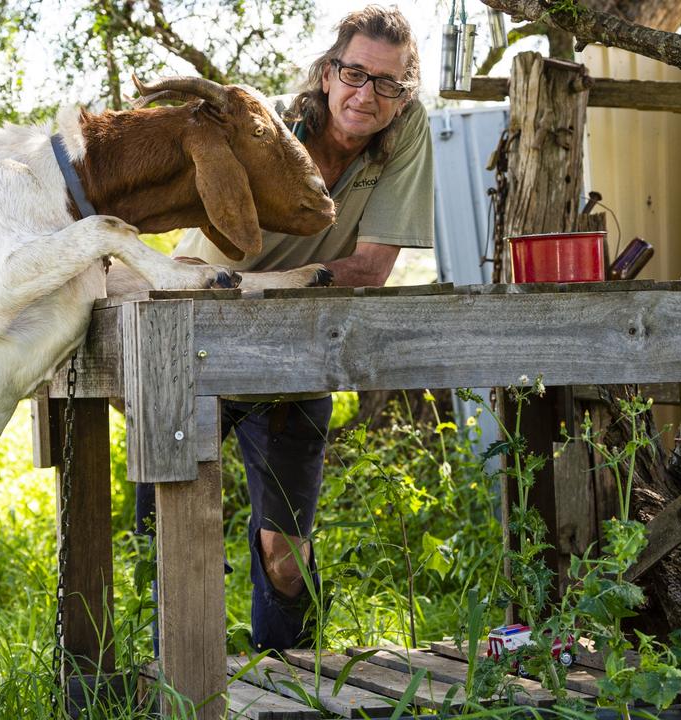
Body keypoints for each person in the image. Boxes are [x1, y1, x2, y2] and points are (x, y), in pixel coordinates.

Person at [136, 4, 436, 652]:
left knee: (286, 557)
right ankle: (172, 691)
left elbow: (369, 269)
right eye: (355, 74)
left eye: (387, 83)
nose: (367, 94)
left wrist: (267, 290)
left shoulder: (404, 132)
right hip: (195, 336)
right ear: (329, 73)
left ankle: (293, 685)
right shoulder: (271, 128)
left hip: (298, 350)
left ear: (404, 92)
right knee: (173, 543)